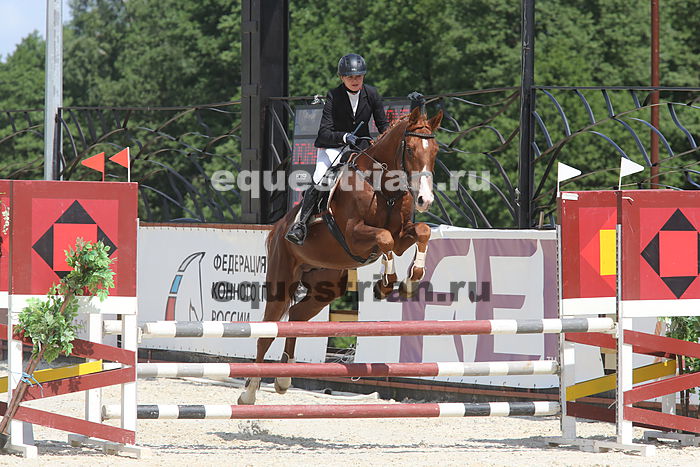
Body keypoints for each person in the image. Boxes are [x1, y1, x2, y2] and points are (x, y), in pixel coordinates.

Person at [286, 53, 389, 245]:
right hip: (334, 147)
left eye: (358, 76)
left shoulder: (372, 94)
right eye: (350, 77)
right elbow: (324, 133)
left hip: (360, 148)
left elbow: (383, 125)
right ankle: (301, 225)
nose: (355, 80)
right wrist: (344, 136)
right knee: (320, 178)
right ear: (342, 77)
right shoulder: (334, 96)